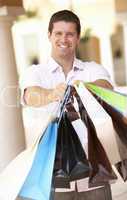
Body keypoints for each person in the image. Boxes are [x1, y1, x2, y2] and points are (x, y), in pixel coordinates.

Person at [20, 9, 113, 200]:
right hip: (51, 178)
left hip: (93, 174)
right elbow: (30, 96)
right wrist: (52, 94)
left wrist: (85, 88)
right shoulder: (35, 72)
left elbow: (107, 89)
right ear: (49, 35)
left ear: (78, 37)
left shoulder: (91, 69)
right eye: (58, 33)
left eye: (70, 34)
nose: (64, 39)